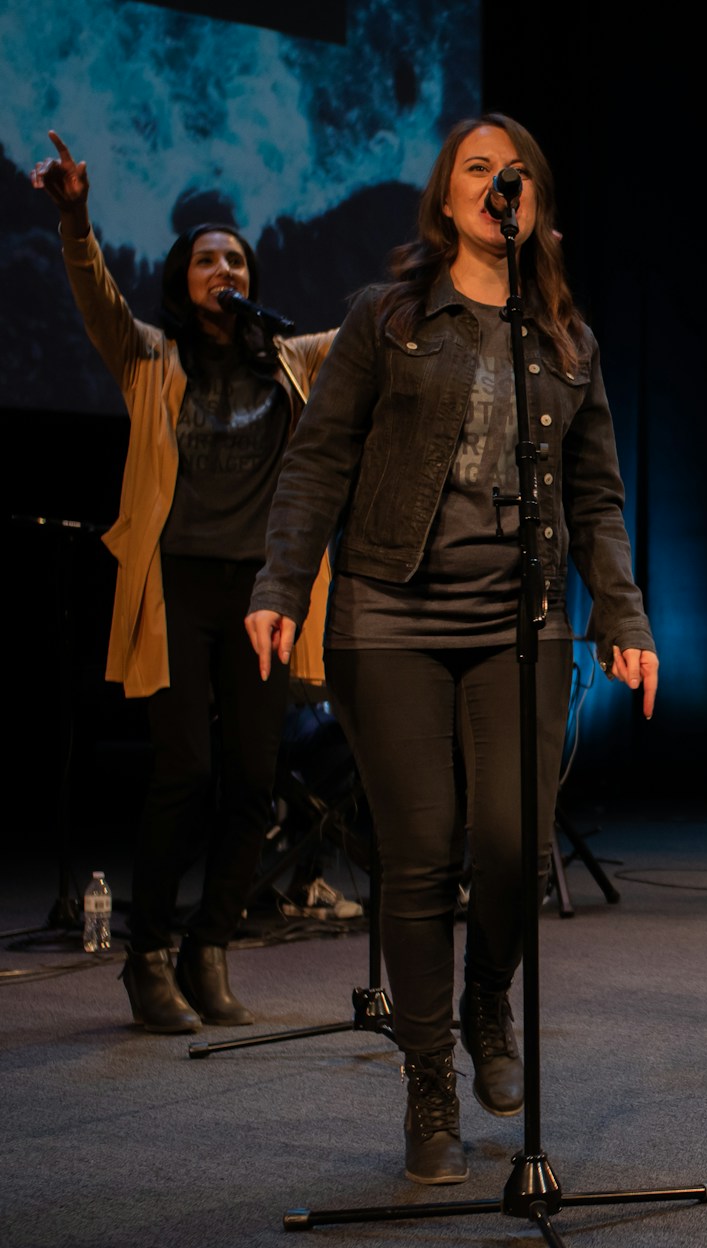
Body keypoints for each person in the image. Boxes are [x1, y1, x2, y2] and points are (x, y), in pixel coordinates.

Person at [244, 114, 658, 1185]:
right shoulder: (385, 319)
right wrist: (281, 581)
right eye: (475, 167)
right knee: (420, 854)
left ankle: (486, 1007)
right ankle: (429, 1073)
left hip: (521, 619)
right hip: (389, 612)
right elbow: (318, 460)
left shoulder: (567, 342)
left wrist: (623, 614)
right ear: (446, 200)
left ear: (536, 206)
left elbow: (599, 495)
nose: (495, 181)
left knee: (518, 847)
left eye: (512, 169)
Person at [30, 130, 338, 1035]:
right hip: (176, 591)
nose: (222, 267)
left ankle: (211, 947)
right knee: (185, 770)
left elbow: (365, 331)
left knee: (254, 780)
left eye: (235, 257)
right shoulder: (151, 358)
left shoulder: (288, 361)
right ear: (184, 275)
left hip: (263, 599)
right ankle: (148, 958)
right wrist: (78, 218)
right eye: (207, 258)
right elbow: (97, 298)